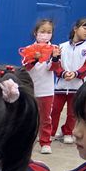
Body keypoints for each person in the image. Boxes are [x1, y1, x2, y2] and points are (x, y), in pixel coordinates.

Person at [51, 17, 86, 145]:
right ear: (75, 28)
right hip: (60, 86)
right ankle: (51, 133)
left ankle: (68, 132)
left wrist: (76, 74)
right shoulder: (61, 46)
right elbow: (56, 65)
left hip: (78, 87)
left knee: (72, 112)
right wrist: (63, 73)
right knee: (55, 110)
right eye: (85, 28)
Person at [22, 19, 57, 154]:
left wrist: (55, 58)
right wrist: (35, 58)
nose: (45, 35)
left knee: (46, 117)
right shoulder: (29, 48)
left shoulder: (54, 49)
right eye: (42, 31)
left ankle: (45, 142)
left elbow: (54, 68)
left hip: (46, 90)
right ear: (35, 33)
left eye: (49, 32)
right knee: (29, 116)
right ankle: (27, 140)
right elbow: (26, 67)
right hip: (31, 88)